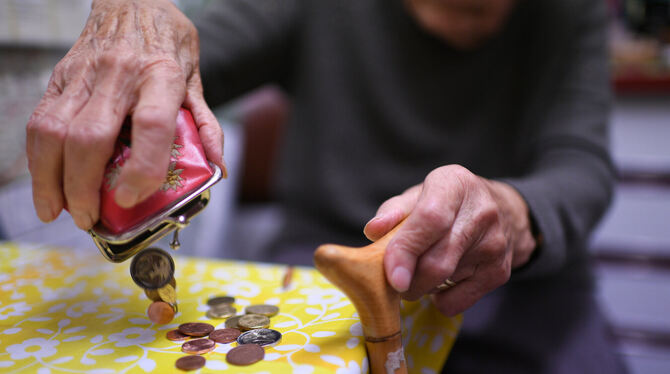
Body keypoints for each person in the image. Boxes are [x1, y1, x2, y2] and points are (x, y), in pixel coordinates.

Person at [26, 0, 627, 372]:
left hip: (522, 292)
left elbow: (581, 165)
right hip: (322, 275)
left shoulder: (568, 12)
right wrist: (139, 19)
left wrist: (509, 212)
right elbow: (188, 58)